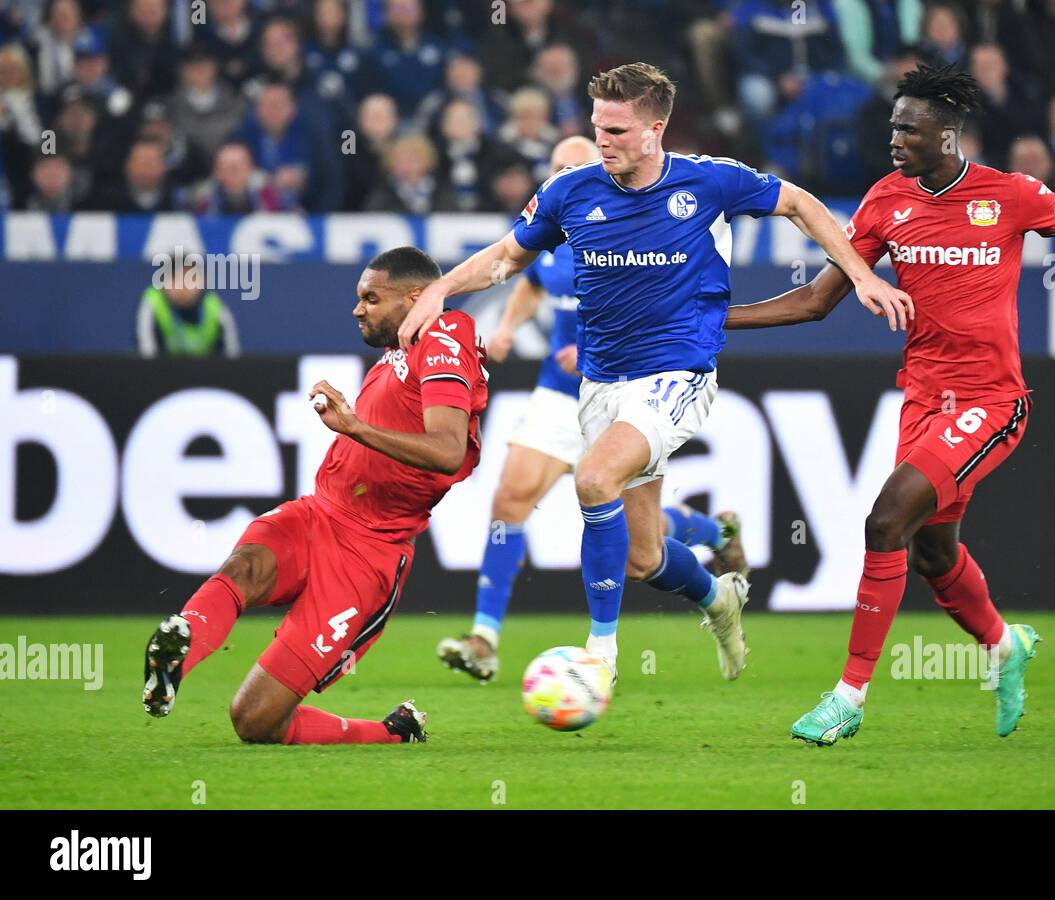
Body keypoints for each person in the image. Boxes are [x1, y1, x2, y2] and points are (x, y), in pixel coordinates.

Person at [725, 63, 1055, 745]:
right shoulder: (885, 202)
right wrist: (717, 321)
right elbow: (819, 299)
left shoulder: (1010, 195)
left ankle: (848, 696)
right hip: (922, 401)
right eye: (892, 126)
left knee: (886, 521)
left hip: (991, 401)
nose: (895, 138)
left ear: (947, 134)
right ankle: (1004, 645)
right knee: (933, 555)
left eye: (909, 128)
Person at [398, 62, 911, 684]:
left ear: (654, 130)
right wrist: (441, 290)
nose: (602, 140)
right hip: (602, 384)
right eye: (596, 126)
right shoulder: (571, 191)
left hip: (677, 374)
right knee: (643, 556)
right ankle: (718, 598)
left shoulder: (709, 181)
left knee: (592, 479)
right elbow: (508, 257)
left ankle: (600, 657)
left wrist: (859, 274)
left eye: (614, 129)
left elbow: (800, 205)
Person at [141, 246, 489, 745]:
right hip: (316, 514)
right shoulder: (403, 348)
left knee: (254, 720)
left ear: (418, 296)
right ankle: (181, 645)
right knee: (245, 568)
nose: (358, 309)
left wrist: (354, 426)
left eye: (372, 297)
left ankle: (395, 733)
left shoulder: (446, 332)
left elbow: (447, 450)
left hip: (367, 555)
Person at [436, 136, 750, 684]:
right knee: (511, 500)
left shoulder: (635, 227)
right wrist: (508, 326)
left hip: (628, 386)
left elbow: (658, 300)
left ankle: (708, 537)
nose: (564, 178)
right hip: (562, 396)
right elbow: (528, 280)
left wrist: (595, 345)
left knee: (636, 540)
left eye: (574, 166)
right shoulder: (557, 234)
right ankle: (484, 637)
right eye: (556, 169)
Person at [136, 252, 241, 358]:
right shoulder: (152, 302)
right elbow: (146, 355)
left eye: (191, 278)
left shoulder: (215, 307)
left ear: (203, 280)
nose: (184, 286)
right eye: (176, 278)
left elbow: (232, 357)